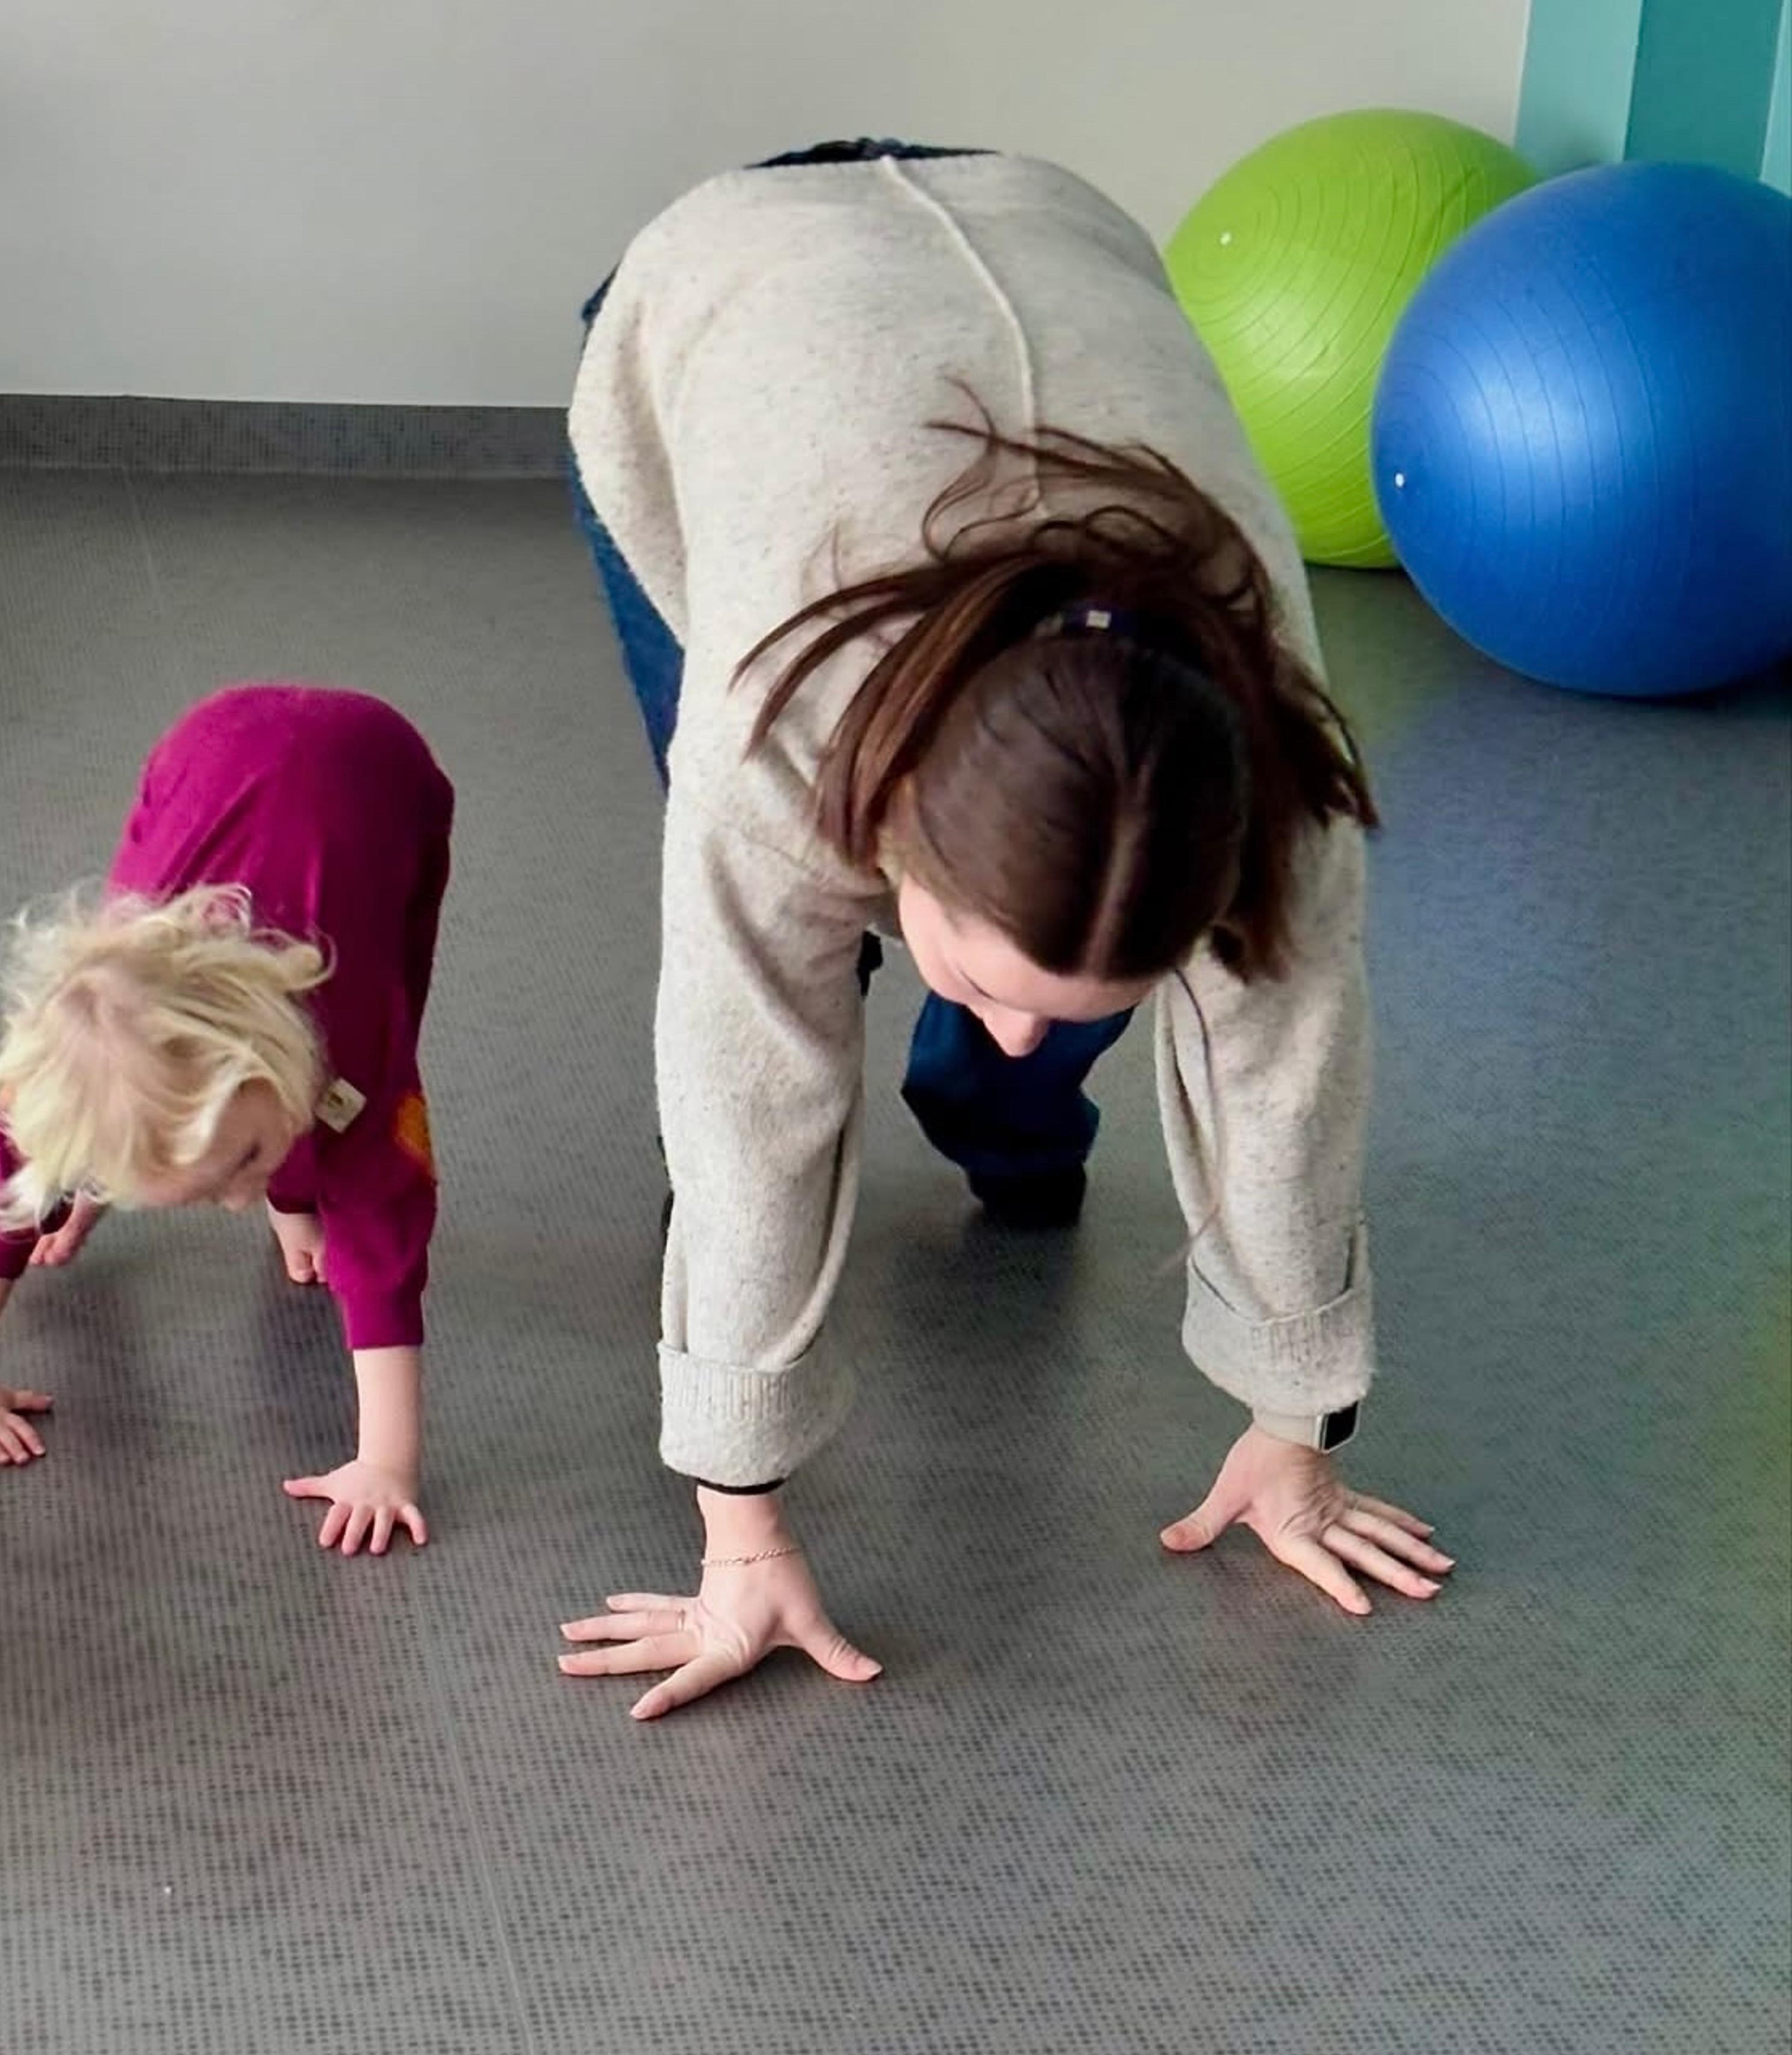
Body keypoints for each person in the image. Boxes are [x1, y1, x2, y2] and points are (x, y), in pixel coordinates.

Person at [558, 142, 1452, 1719]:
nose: (1038, 1018)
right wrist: (741, 1532)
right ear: (895, 828)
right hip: (727, 300)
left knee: (1030, 1012)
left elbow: (1290, 1076)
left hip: (1049, 231)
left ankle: (997, 1122)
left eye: (1102, 993)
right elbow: (750, 1090)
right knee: (768, 994)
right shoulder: (782, 723)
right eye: (980, 971)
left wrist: (1296, 1431)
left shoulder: (1272, 760)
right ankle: (880, 1068)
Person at [0, 683, 453, 1558]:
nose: (240, 1202)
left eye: (244, 1168)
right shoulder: (62, 1074)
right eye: (217, 1187)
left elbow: (385, 1242)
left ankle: (282, 1177)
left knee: (367, 1066)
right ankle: (143, 1161)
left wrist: (385, 1463)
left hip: (382, 775)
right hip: (199, 755)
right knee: (142, 1082)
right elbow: (1, 1201)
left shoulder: (354, 1059)